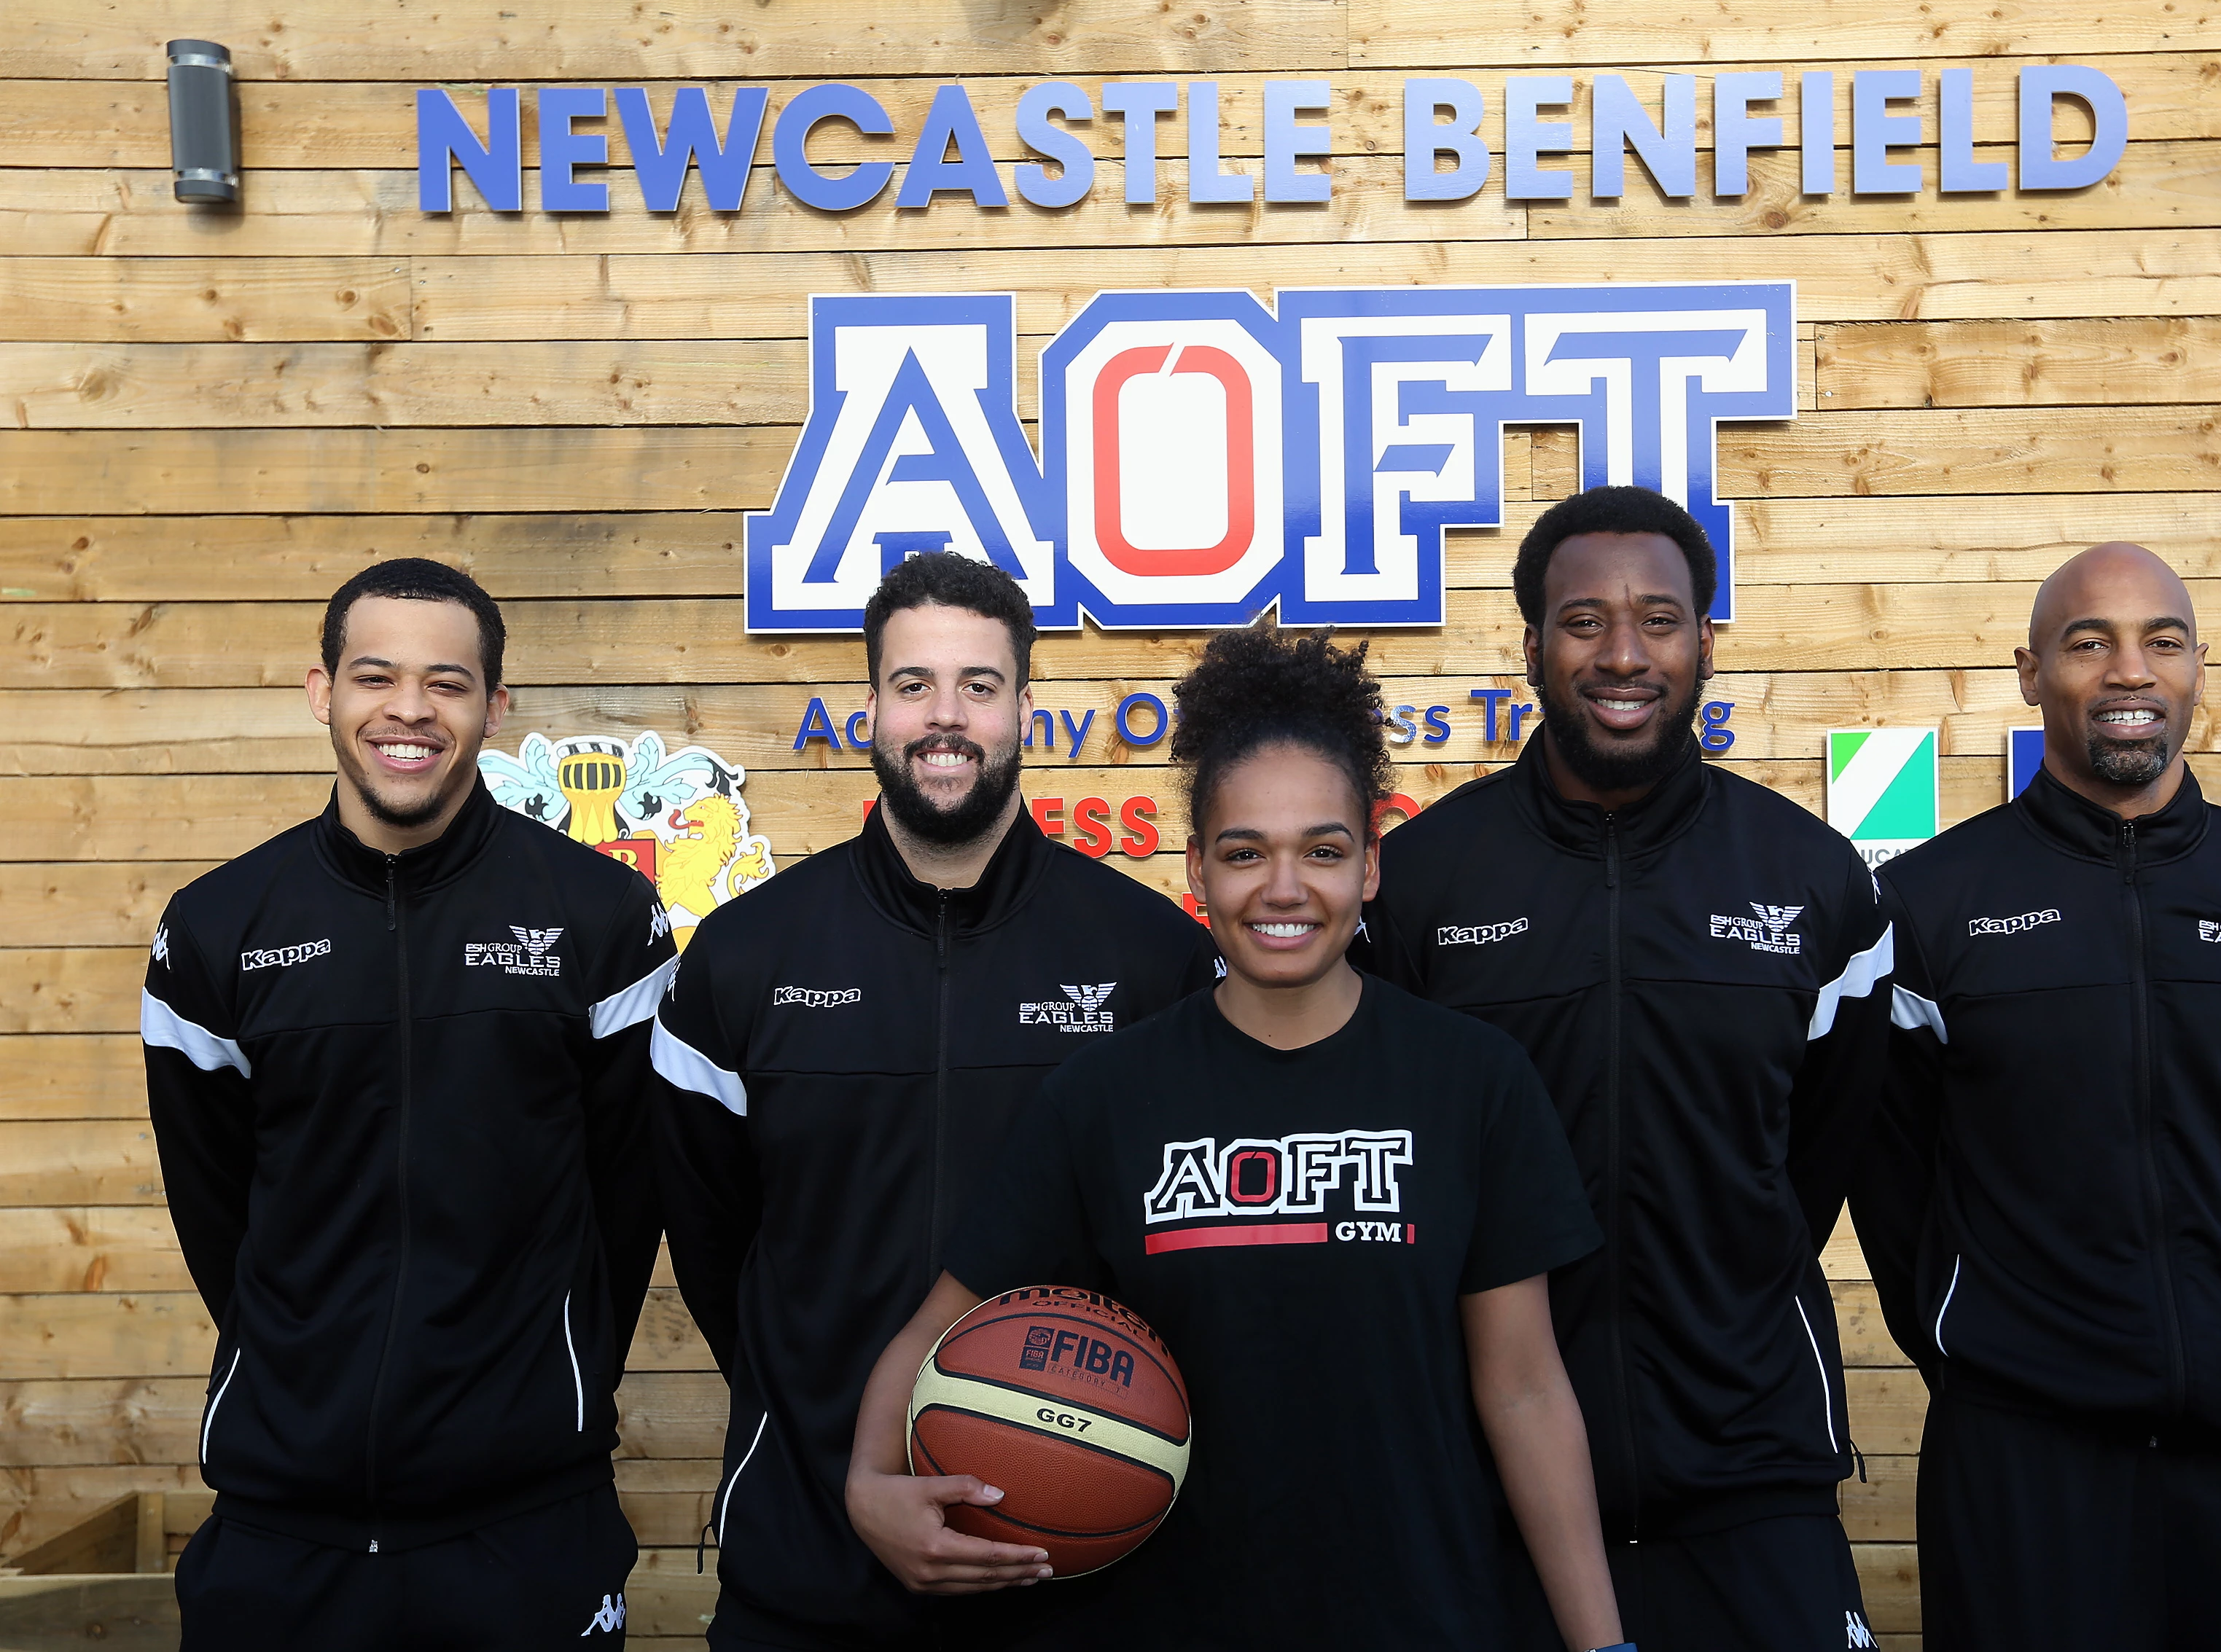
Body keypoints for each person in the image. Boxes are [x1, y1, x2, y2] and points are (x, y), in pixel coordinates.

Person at [845, 620, 1630, 1651]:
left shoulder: (1471, 1079)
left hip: (1424, 1618)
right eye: (1244, 851)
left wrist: (1602, 1643)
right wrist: (868, 1485)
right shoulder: (1108, 1093)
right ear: (1197, 869)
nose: (1284, 888)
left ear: (1372, 867)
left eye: (1324, 849)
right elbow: (942, 1325)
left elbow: (1524, 1386)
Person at [652, 552, 1217, 1650]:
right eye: (913, 685)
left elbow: (1182, 1255)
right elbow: (716, 1250)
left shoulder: (1153, 958)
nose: (944, 716)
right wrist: (828, 1425)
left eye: (978, 685)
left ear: (1024, 711)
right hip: (810, 1563)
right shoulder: (746, 958)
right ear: (869, 706)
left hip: (1079, 1575)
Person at [1362, 485, 1892, 1649]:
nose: (1621, 652)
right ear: (1532, 646)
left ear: (1706, 641)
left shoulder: (1813, 879)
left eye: (1657, 618)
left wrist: (1725, 1288)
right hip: (1483, 1483)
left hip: (1751, 1473)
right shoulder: (1418, 882)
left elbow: (1817, 1155)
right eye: (1582, 620)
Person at [1851, 542, 2221, 1649]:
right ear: (2029, 670)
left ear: (2199, 667)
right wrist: (1991, 1343)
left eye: (2161, 640)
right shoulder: (1922, 907)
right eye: (2087, 641)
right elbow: (1889, 1178)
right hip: (2025, 1452)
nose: (2127, 670)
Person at [143, 559, 675, 1648]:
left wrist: (546, 1380)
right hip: (282, 1530)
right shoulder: (215, 928)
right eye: (375, 675)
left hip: (526, 1521)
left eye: (447, 682)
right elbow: (220, 1213)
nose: (408, 709)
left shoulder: (602, 916)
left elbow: (630, 1201)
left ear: (495, 707)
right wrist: (304, 1367)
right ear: (320, 690)